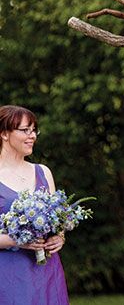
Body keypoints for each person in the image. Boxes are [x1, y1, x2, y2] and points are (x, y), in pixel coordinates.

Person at [0, 105, 69, 304]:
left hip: (47, 272)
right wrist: (16, 240)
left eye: (34, 130)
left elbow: (59, 221)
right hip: (9, 274)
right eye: (25, 130)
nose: (32, 136)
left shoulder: (43, 172)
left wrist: (60, 237)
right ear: (4, 133)